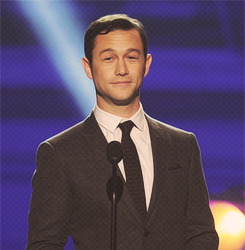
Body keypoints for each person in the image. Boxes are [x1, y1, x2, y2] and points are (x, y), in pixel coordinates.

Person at [26, 14, 219, 249]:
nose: (121, 69)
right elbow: (44, 243)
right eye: (108, 58)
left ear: (146, 64)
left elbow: (202, 234)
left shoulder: (182, 144)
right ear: (88, 67)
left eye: (131, 57)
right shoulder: (59, 153)